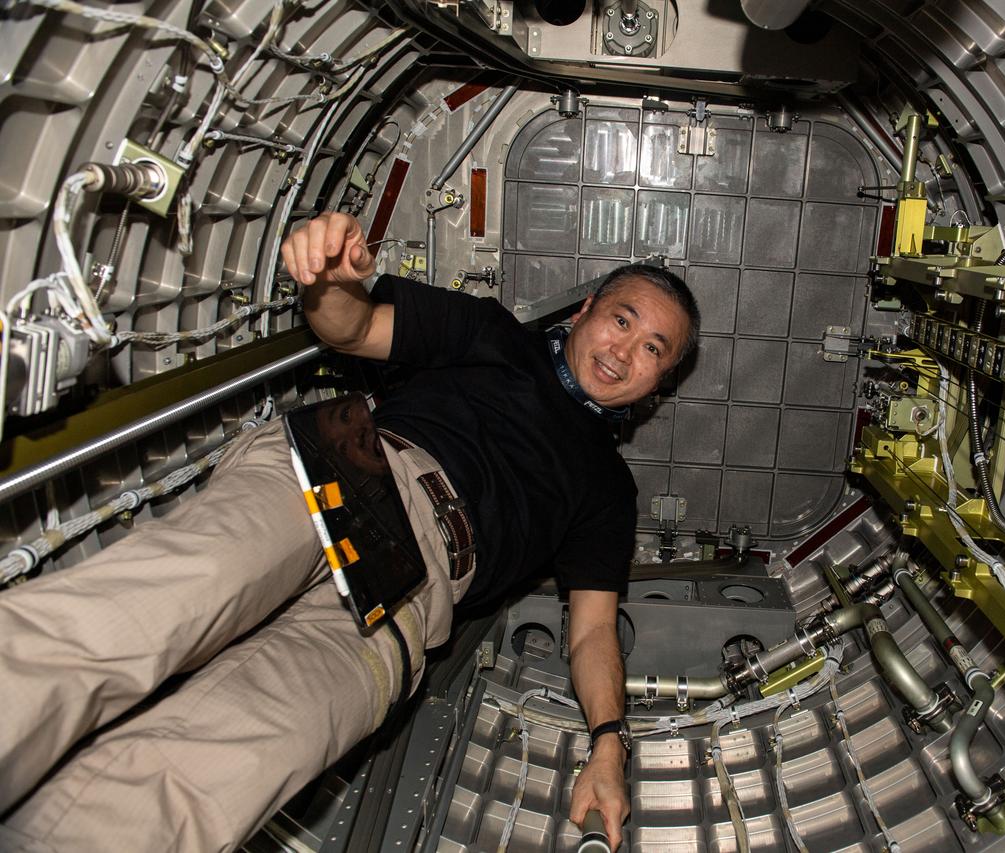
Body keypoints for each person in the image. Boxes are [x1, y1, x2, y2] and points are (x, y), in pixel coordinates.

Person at [0, 211, 700, 852]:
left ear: (658, 385)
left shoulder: (608, 491)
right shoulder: (490, 335)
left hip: (408, 604)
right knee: (139, 616)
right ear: (584, 310)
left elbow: (591, 632)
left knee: (218, 775)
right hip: (350, 472)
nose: (623, 350)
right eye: (621, 319)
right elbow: (352, 327)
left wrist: (610, 742)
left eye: (651, 349)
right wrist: (329, 279)